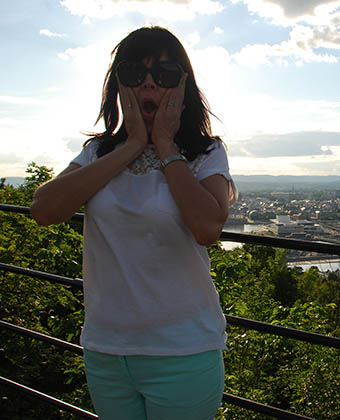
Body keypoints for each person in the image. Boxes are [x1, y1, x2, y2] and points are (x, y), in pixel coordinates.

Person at [30, 26, 236, 420]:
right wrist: (130, 147)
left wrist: (164, 146)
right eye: (133, 73)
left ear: (182, 86)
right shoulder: (98, 153)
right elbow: (45, 208)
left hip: (182, 351)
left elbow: (208, 227)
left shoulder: (205, 154)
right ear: (117, 85)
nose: (148, 85)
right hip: (107, 349)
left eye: (163, 75)